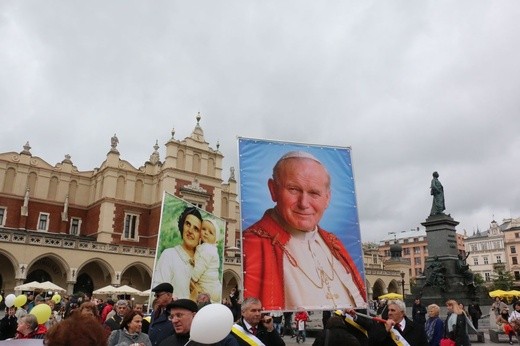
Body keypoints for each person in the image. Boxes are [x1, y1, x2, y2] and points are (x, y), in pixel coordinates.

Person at [243, 151, 366, 310]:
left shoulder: (334, 243)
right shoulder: (252, 243)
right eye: (293, 189)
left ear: (327, 198)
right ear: (273, 190)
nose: (303, 203)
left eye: (314, 193)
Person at [153, 206, 203, 299]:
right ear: (182, 226)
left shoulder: (203, 262)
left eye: (196, 229)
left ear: (201, 236)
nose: (190, 231)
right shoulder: (169, 255)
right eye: (188, 224)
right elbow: (159, 292)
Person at [159, 299, 238, 346]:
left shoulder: (210, 342)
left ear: (194, 316)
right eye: (171, 317)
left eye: (179, 315)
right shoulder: (165, 343)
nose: (174, 321)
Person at [354, 300, 428, 346]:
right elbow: (372, 343)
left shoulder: (417, 328)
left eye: (393, 310)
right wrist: (385, 331)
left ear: (402, 313)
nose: (389, 313)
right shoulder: (381, 326)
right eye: (388, 310)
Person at [191, 218, 222, 303]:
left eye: (210, 232)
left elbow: (200, 267)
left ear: (215, 238)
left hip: (209, 286)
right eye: (204, 229)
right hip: (214, 287)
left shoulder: (207, 249)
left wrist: (193, 277)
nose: (206, 233)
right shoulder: (208, 248)